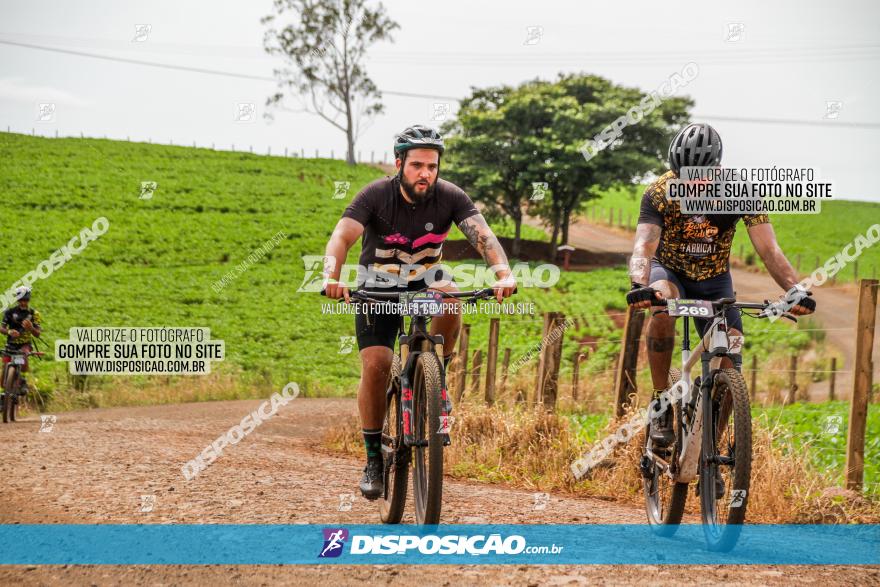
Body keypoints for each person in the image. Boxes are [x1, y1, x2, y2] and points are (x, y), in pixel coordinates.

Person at [321, 124, 516, 499]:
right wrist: (332, 275)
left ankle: (436, 374)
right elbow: (341, 237)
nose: (426, 173)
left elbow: (484, 237)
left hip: (426, 281)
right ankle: (374, 458)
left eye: (432, 165)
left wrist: (503, 273)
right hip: (377, 288)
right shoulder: (376, 195)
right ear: (400, 164)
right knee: (377, 365)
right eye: (417, 165)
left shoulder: (450, 197)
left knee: (451, 293)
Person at [626, 123, 815, 451]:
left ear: (716, 169)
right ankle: (660, 405)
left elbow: (769, 250)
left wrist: (796, 289)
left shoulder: (739, 190)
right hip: (669, 271)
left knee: (732, 356)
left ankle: (710, 446)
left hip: (714, 280)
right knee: (661, 304)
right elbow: (644, 245)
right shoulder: (659, 190)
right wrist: (638, 283)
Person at [1, 286, 42, 394]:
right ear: (17, 300)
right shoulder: (9, 312)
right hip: (10, 345)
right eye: (21, 300)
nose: (23, 303)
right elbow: (2, 328)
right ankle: (3, 397)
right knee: (3, 377)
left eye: (26, 300)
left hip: (25, 345)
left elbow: (38, 334)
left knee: (23, 355)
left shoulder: (35, 314)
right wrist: (9, 332)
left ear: (29, 299)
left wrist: (31, 328)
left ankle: (23, 380)